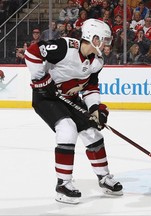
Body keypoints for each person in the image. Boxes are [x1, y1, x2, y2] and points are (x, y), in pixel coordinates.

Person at [24, 19, 123, 205]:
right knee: (67, 129)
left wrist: (95, 109)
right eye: (104, 39)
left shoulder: (97, 61)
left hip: (69, 99)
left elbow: (91, 87)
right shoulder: (65, 46)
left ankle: (104, 178)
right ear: (93, 38)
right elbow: (32, 52)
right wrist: (42, 80)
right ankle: (63, 184)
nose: (107, 44)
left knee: (93, 133)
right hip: (46, 98)